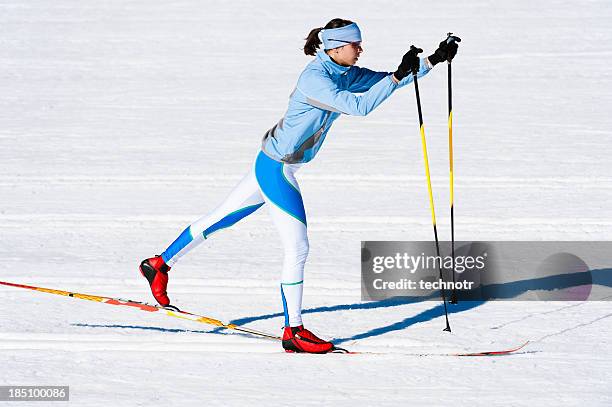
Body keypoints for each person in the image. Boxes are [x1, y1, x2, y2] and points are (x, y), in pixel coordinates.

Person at [139, 18, 459, 354]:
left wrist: (432, 61)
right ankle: (293, 331)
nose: (361, 50)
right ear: (335, 47)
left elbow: (383, 83)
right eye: (355, 45)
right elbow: (359, 106)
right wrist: (395, 76)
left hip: (271, 162)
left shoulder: (343, 72)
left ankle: (159, 264)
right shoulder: (316, 79)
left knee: (220, 218)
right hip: (277, 169)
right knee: (298, 248)